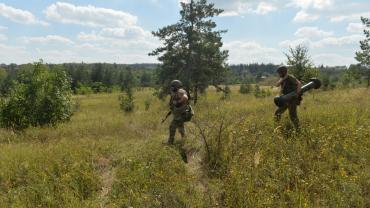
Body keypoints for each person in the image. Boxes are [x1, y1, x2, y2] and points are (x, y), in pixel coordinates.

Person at [167, 80, 189, 145]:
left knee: (172, 127)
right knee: (181, 129)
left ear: (176, 86)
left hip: (180, 115)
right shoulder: (176, 92)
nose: (172, 88)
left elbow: (185, 97)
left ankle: (170, 142)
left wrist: (178, 102)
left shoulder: (180, 91)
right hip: (179, 114)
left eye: (173, 86)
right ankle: (186, 142)